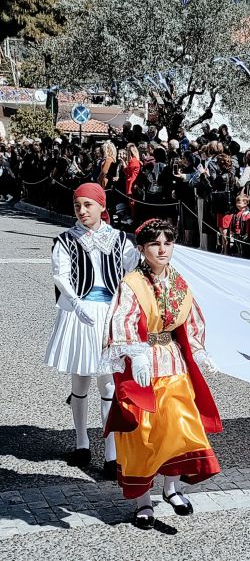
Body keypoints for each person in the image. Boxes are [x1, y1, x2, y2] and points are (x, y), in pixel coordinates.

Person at [102, 219, 222, 529]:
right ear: (142, 249)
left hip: (173, 363)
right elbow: (122, 320)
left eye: (168, 242)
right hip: (143, 367)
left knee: (179, 427)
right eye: (155, 243)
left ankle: (172, 489)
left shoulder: (179, 282)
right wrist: (136, 354)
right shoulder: (132, 283)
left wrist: (198, 350)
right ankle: (143, 502)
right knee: (143, 434)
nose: (163, 248)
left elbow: (191, 320)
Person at [44, 183, 139, 478]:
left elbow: (132, 273)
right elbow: (61, 276)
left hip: (110, 313)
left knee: (108, 384)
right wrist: (74, 302)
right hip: (80, 313)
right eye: (78, 206)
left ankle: (111, 451)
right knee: (81, 379)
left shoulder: (121, 239)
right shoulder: (66, 239)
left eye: (88, 205)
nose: (82, 211)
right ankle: (82, 442)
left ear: (101, 206)